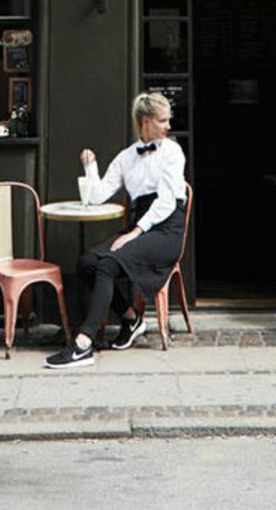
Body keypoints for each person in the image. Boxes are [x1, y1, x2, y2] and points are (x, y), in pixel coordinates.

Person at [44, 90, 187, 369]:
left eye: (168, 120)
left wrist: (134, 233)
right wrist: (90, 166)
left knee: (108, 265)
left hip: (166, 229)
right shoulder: (126, 157)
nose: (168, 126)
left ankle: (83, 344)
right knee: (87, 263)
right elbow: (98, 195)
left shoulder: (172, 151)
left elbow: (167, 202)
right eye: (163, 120)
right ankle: (131, 319)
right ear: (145, 121)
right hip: (141, 225)